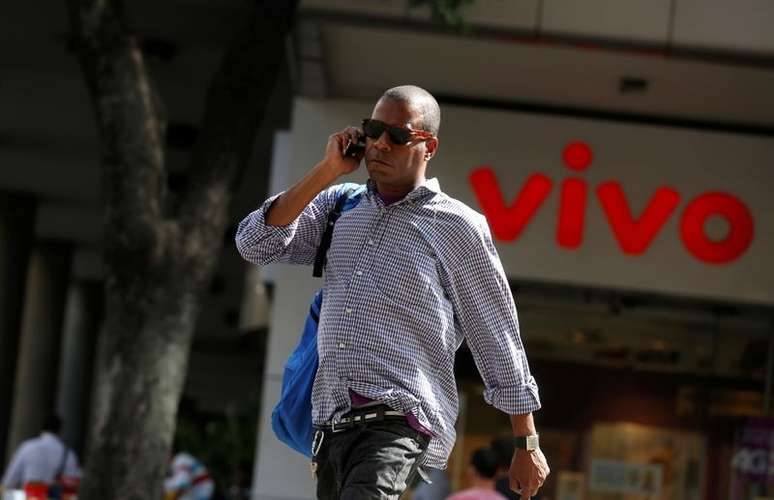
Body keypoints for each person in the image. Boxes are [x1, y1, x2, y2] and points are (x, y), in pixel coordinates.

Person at [235, 85, 549, 499]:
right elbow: (256, 243)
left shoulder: (457, 227)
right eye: (374, 130)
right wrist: (327, 170)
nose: (381, 144)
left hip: (400, 419)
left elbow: (497, 337)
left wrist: (526, 443)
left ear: (428, 146)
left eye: (398, 136)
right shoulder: (339, 207)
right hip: (332, 424)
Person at [1, 414, 81, 495]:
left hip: (29, 496)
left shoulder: (27, 447)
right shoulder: (68, 454)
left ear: (42, 428)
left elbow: (10, 480)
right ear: (60, 431)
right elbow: (72, 483)